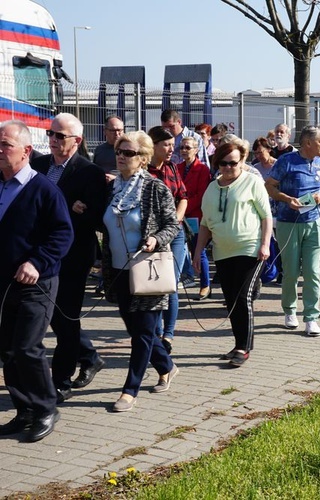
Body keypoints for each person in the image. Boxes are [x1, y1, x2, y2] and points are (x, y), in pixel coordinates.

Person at [0, 120, 73, 442]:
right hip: (3, 284)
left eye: (5, 145)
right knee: (7, 350)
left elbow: (63, 234)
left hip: (37, 284)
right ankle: (25, 410)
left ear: (26, 151)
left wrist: (36, 262)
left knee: (27, 347)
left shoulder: (43, 189)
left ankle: (46, 408)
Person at [31, 113, 107, 403]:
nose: (52, 140)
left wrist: (81, 210)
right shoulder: (37, 166)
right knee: (54, 317)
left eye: (59, 136)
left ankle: (60, 380)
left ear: (76, 140)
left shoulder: (90, 172)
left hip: (73, 256)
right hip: (40, 255)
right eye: (51, 134)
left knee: (65, 316)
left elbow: (97, 217)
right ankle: (89, 355)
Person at [101, 131, 180, 412]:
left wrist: (156, 239)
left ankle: (130, 389)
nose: (121, 156)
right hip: (119, 271)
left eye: (129, 153)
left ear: (144, 158)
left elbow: (173, 225)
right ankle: (167, 366)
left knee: (143, 333)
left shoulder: (155, 189)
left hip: (148, 270)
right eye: (119, 151)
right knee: (136, 329)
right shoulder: (111, 188)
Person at [193, 142, 272, 366]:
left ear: (242, 162)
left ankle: (243, 347)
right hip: (222, 252)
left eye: (233, 163)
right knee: (231, 301)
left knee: (243, 296)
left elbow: (266, 216)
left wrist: (265, 244)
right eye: (223, 163)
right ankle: (239, 342)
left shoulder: (253, 182)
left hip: (250, 249)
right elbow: (205, 225)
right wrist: (198, 252)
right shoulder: (211, 188)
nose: (228, 168)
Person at [266, 126, 320, 336]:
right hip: (289, 223)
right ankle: (290, 310)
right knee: (292, 271)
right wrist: (287, 199)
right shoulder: (286, 161)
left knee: (313, 271)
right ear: (307, 143)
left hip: (314, 223)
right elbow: (269, 186)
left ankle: (312, 317)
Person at [146, 126, 188, 354]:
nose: (173, 149)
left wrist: (176, 221)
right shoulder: (143, 170)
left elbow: (183, 196)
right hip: (152, 236)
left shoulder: (172, 167)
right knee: (155, 285)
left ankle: (168, 335)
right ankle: (155, 332)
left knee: (171, 283)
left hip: (176, 233)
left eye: (173, 144)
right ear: (152, 145)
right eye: (167, 145)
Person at [175, 136, 212, 300]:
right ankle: (178, 280)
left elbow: (201, 195)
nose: (184, 150)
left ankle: (205, 285)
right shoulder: (177, 168)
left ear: (196, 150)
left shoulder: (202, 169)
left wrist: (184, 208)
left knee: (198, 250)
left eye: (187, 147)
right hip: (180, 215)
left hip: (194, 216)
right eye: (182, 147)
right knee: (179, 250)